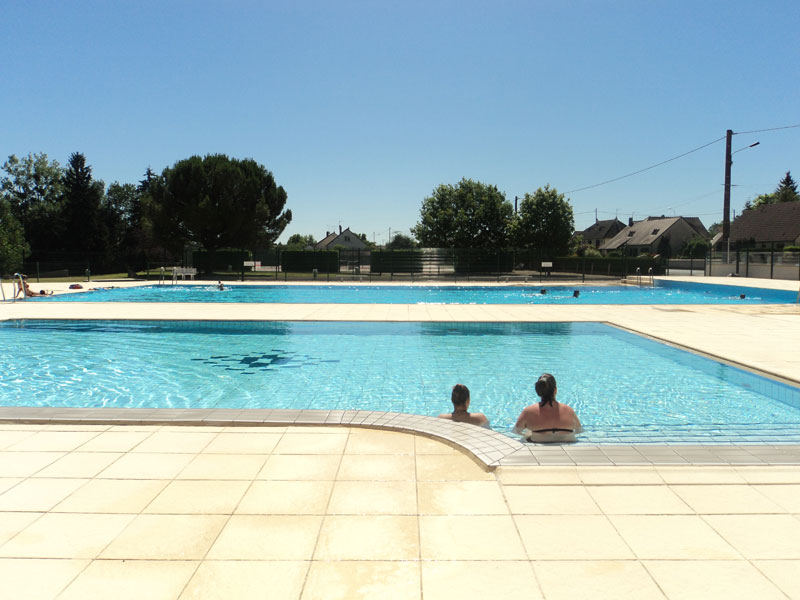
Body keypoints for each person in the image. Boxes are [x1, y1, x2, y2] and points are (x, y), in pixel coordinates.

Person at [513, 373, 581, 442]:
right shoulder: (569, 410)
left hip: (538, 441)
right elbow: (579, 430)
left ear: (538, 391)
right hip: (567, 441)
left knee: (527, 433)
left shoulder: (528, 411)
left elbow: (516, 431)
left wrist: (528, 434)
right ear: (555, 390)